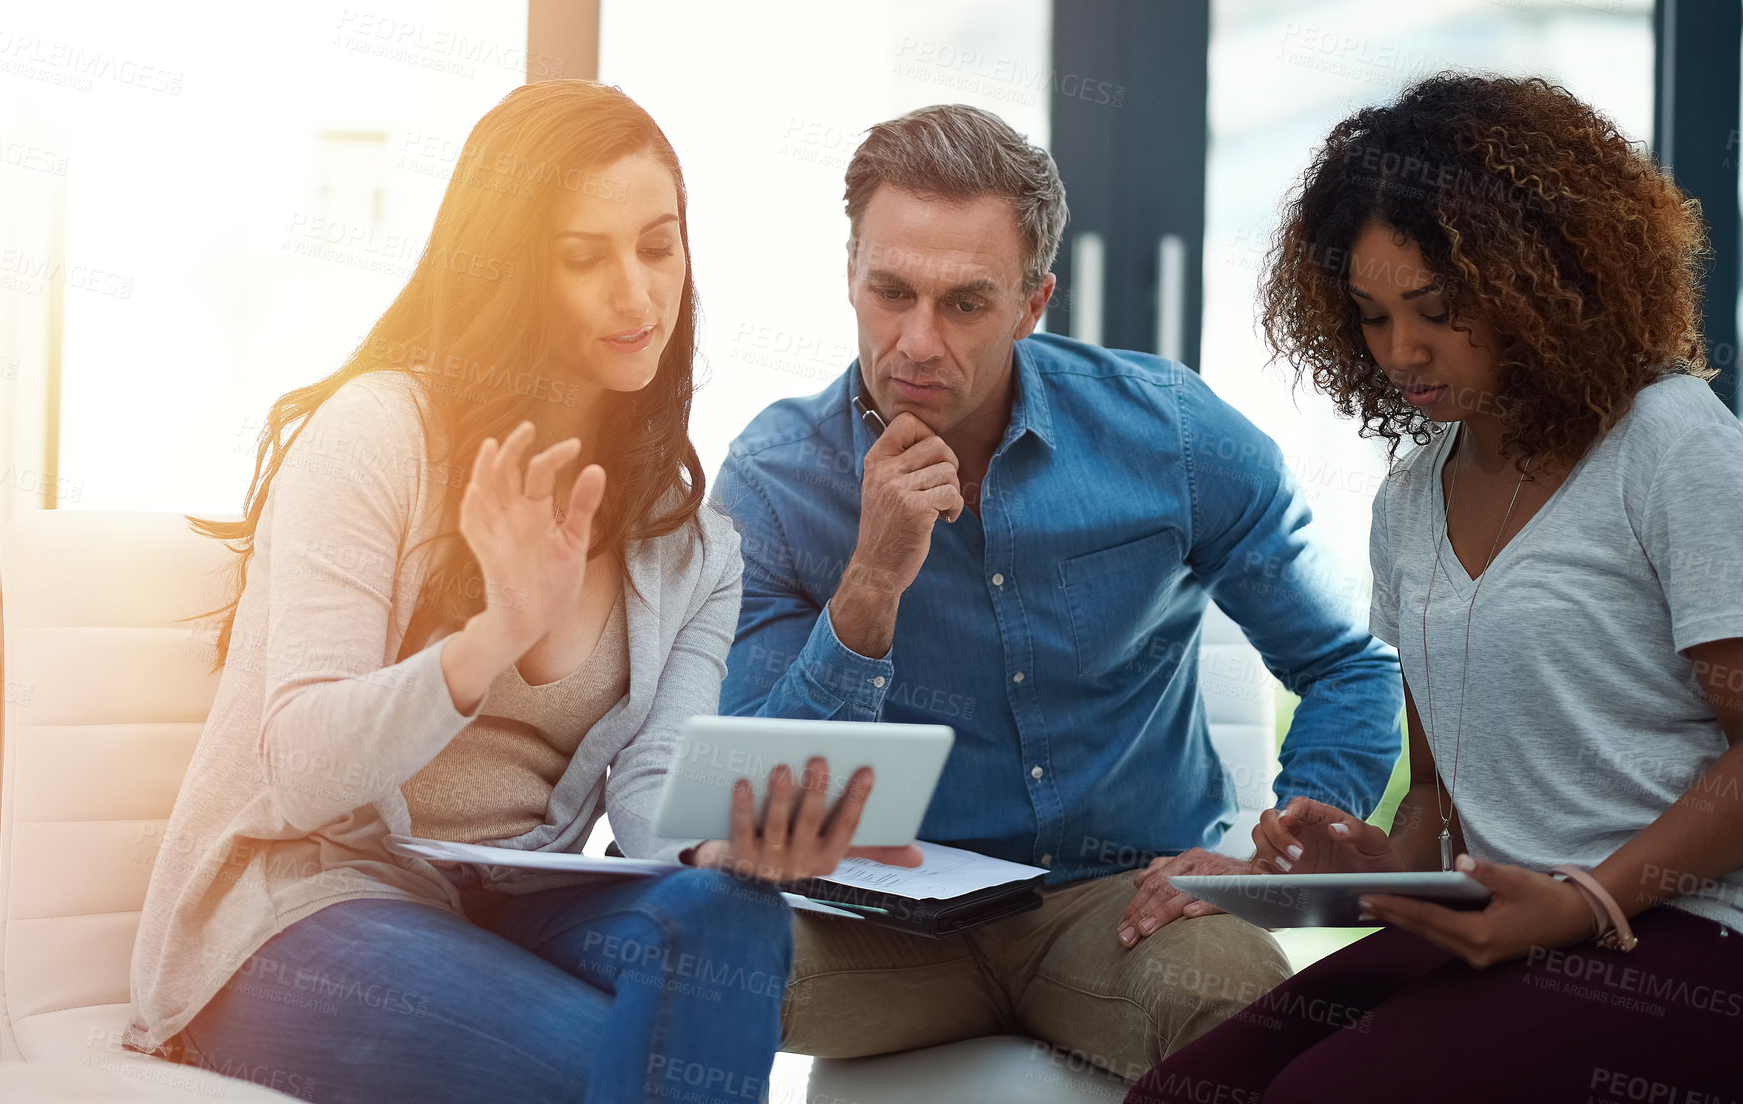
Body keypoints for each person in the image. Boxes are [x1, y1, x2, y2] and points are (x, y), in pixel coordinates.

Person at [122, 81, 910, 1104]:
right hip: (297, 913)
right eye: (584, 258)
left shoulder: (692, 545)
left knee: (729, 912)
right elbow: (306, 768)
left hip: (501, 909)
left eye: (657, 246)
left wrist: (725, 840)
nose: (636, 295)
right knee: (628, 1065)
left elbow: (649, 789)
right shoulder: (378, 437)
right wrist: (493, 636)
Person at [711, 103, 1404, 1080]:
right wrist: (870, 582)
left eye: (965, 304)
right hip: (882, 921)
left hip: (1119, 909)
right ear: (852, 280)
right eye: (891, 291)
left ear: (1034, 304)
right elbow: (757, 788)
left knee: (1235, 986)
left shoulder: (1171, 437)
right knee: (694, 963)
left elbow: (1343, 663)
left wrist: (1275, 860)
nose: (916, 341)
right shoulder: (778, 479)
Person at [1129, 74, 1743, 1102]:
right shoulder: (1411, 497)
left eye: (1439, 311)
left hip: (1691, 933)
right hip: (1495, 923)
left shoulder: (1671, 448)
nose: (1402, 352)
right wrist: (1355, 858)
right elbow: (1440, 807)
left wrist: (1581, 900)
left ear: (1545, 279)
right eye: (1371, 317)